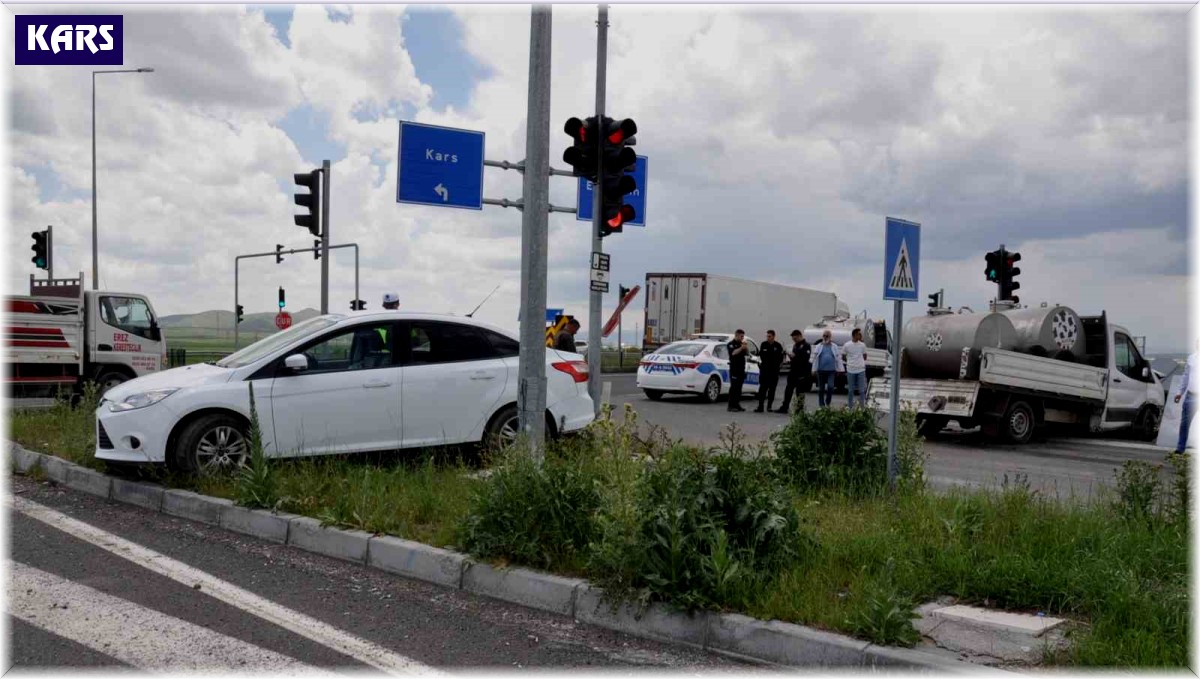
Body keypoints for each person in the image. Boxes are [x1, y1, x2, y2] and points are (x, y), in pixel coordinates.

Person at [777, 330, 811, 414]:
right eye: (793, 339)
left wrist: (795, 356)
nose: (794, 340)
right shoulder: (795, 345)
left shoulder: (806, 346)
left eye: (795, 338)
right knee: (788, 390)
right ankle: (784, 407)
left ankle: (799, 409)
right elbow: (794, 358)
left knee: (800, 392)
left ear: (799, 336)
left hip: (801, 372)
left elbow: (805, 359)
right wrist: (790, 356)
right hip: (793, 371)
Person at [1174, 344, 1199, 454]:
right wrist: (1180, 393)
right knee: (1184, 423)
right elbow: (1186, 376)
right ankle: (1180, 448)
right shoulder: (1191, 358)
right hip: (1191, 395)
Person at [810, 330, 844, 408]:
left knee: (830, 386)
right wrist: (813, 369)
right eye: (824, 336)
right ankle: (821, 404)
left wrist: (840, 369)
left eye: (827, 336)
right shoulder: (819, 346)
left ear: (830, 337)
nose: (825, 337)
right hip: (820, 370)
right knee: (821, 388)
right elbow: (815, 358)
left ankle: (828, 401)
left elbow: (838, 358)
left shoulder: (834, 346)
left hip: (831, 371)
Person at [754, 330, 785, 413]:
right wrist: (759, 365)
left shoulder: (778, 346)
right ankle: (760, 406)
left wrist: (779, 367)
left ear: (774, 336)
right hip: (764, 371)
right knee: (762, 390)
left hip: (774, 372)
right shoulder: (763, 344)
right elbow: (760, 357)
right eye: (767, 336)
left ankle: (769, 407)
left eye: (769, 336)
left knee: (772, 390)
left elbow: (781, 359)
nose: (768, 338)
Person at [842, 328, 868, 409]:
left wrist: (859, 362)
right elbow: (843, 356)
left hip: (861, 369)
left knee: (861, 390)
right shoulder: (847, 345)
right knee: (850, 390)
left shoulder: (862, 345)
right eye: (859, 334)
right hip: (851, 370)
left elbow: (865, 356)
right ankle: (850, 407)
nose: (861, 336)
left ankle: (862, 407)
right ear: (854, 335)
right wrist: (850, 362)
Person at [726, 329, 750, 412]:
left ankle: (737, 404)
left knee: (739, 388)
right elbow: (733, 353)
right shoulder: (731, 344)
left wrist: (746, 348)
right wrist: (741, 348)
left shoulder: (741, 344)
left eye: (743, 336)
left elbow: (747, 354)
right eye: (741, 336)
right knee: (734, 387)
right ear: (736, 335)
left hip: (741, 369)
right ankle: (731, 405)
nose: (742, 338)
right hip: (734, 369)